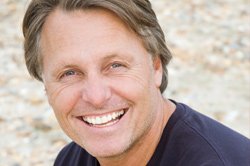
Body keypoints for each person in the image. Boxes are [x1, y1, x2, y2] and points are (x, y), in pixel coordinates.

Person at [22, 0, 249, 166]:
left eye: (116, 66)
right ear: (46, 86)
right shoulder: (71, 160)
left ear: (156, 66)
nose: (96, 96)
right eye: (70, 72)